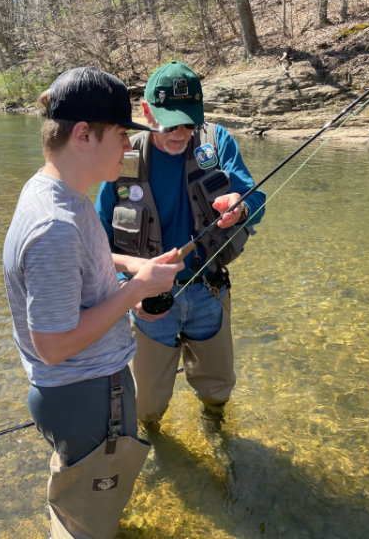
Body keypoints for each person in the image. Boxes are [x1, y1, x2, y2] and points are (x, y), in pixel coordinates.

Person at [2, 66, 184, 539]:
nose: (128, 148)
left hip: (75, 396)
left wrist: (128, 269)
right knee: (88, 524)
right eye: (122, 135)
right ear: (83, 135)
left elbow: (86, 261)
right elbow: (53, 345)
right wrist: (134, 292)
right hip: (86, 395)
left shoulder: (56, 190)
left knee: (78, 495)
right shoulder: (55, 227)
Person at [95, 60, 266, 425]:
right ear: (146, 111)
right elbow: (96, 243)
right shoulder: (122, 157)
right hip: (147, 302)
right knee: (147, 405)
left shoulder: (217, 142)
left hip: (209, 292)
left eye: (190, 122)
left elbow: (257, 198)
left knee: (218, 390)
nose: (181, 132)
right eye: (171, 123)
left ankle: (216, 426)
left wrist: (240, 207)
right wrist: (127, 288)